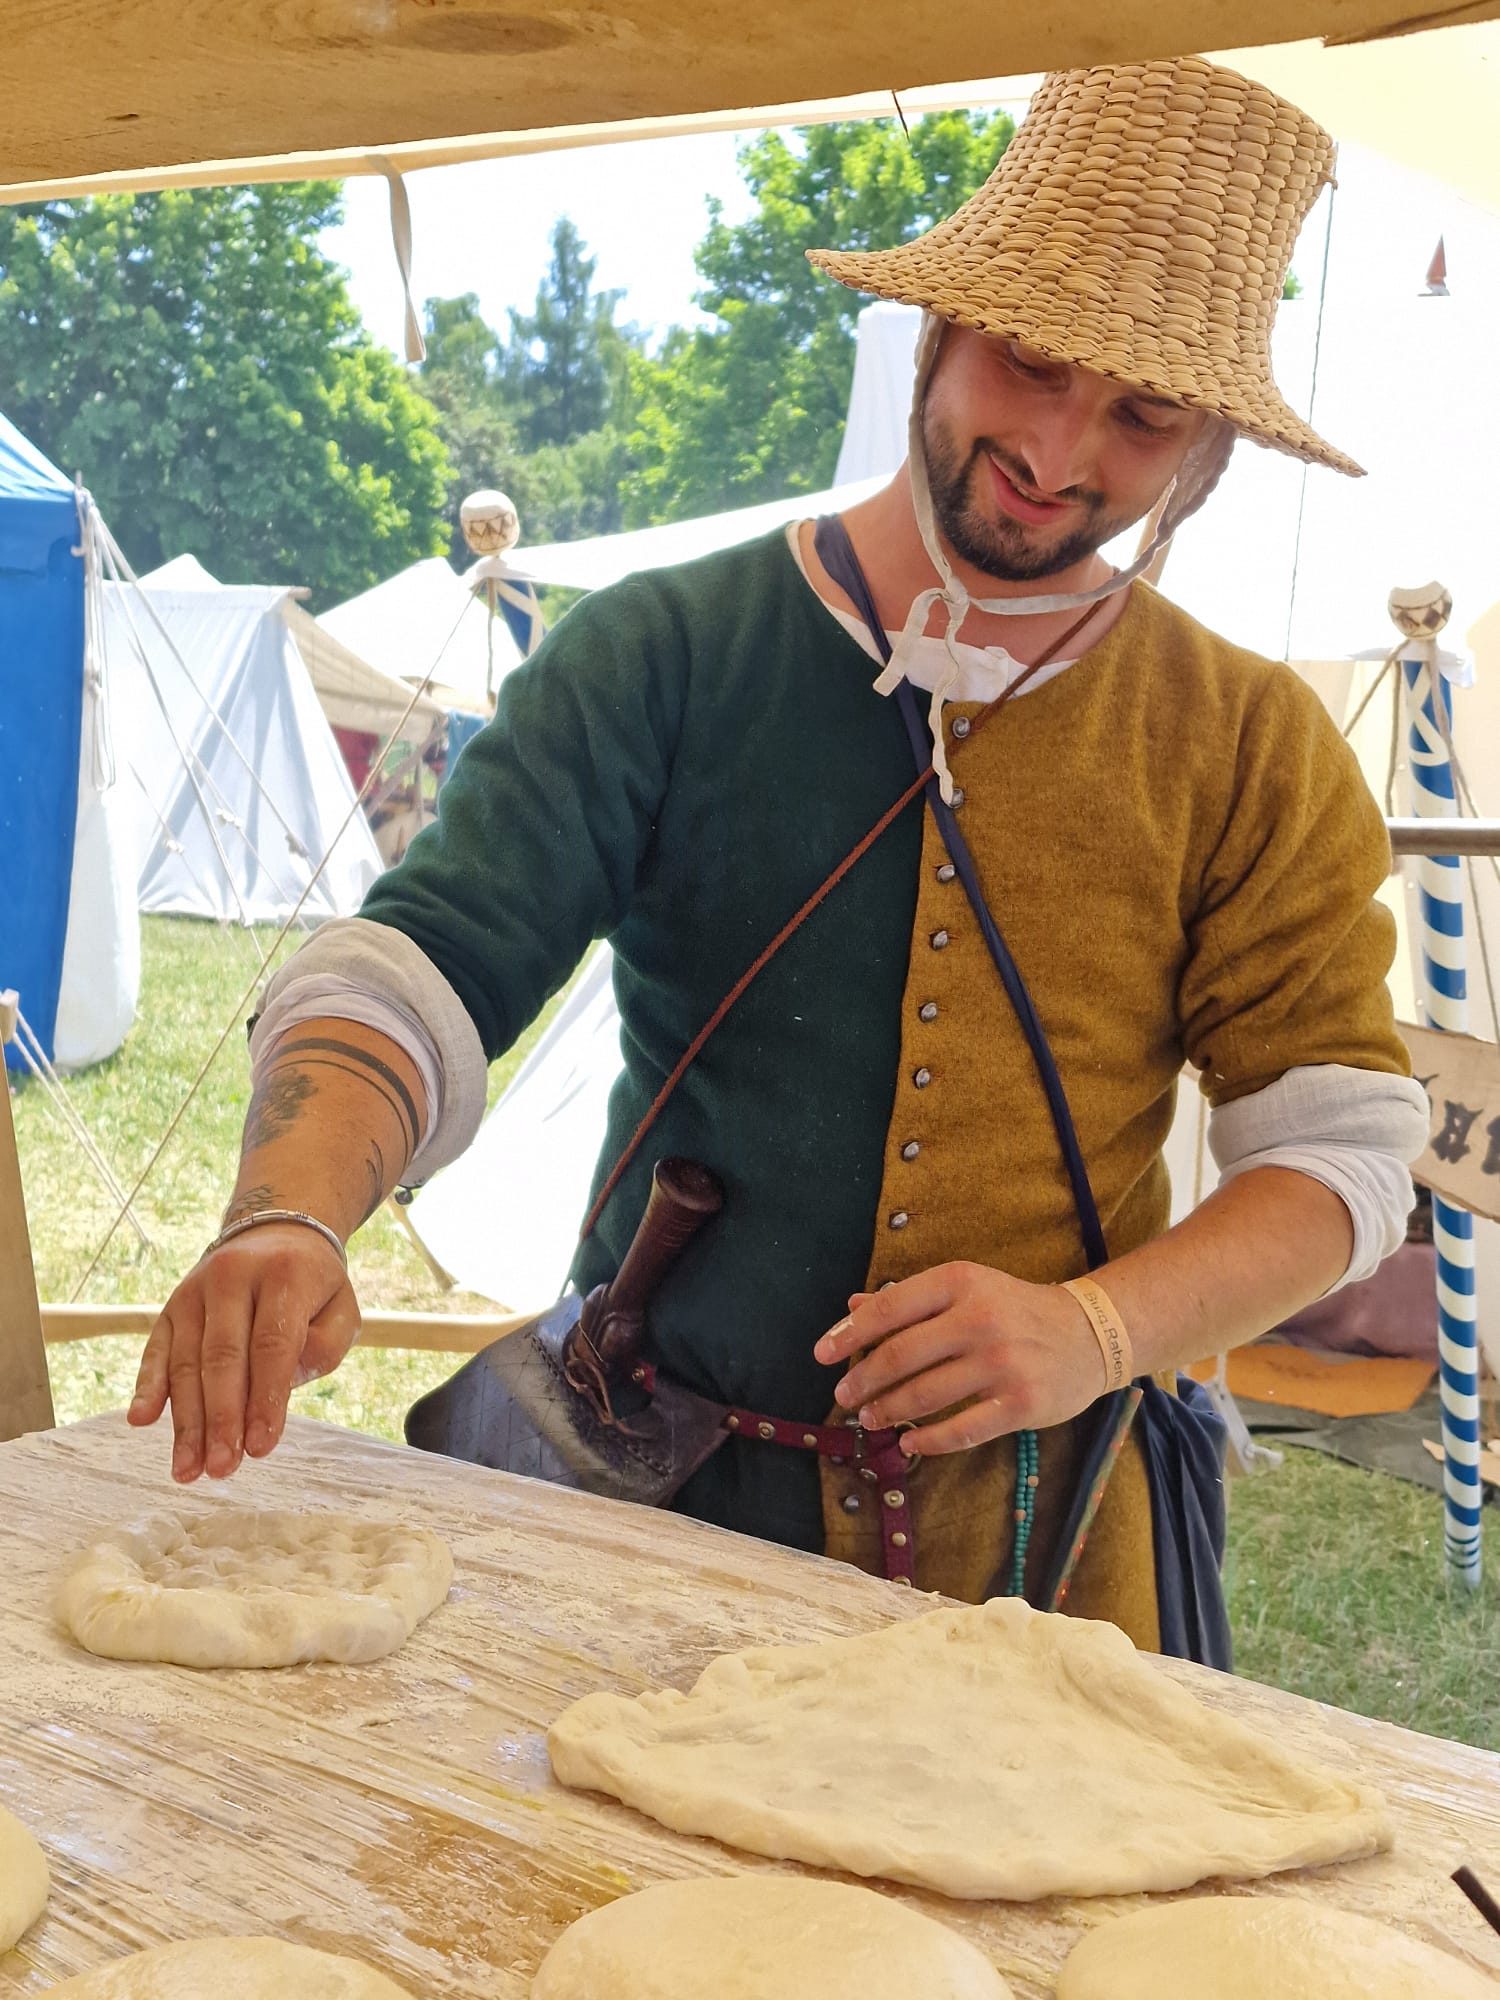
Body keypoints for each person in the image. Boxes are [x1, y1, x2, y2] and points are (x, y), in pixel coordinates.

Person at [129, 55, 1428, 1653]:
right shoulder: (666, 652)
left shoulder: (1248, 742)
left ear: (1205, 447)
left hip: (1048, 1559)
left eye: (1143, 416)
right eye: (1028, 363)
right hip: (658, 1518)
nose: (1059, 449)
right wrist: (288, 1214)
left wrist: (1097, 1330)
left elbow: (1340, 1158)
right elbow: (415, 973)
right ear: (943, 326)